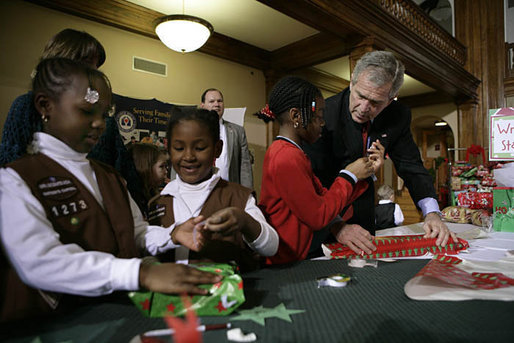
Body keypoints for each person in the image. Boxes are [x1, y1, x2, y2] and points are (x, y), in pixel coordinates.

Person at [0, 58, 220, 322]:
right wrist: (140, 273)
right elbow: (41, 261)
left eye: (103, 114)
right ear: (46, 106)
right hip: (52, 324)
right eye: (86, 111)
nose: (99, 124)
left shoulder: (109, 176)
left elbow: (135, 232)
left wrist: (171, 235)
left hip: (118, 316)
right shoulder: (15, 179)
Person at [303, 50, 456, 246]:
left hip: (364, 218)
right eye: (360, 96)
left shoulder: (397, 116)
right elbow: (312, 181)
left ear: (392, 99)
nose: (364, 107)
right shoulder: (324, 115)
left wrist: (432, 213)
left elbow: (411, 166)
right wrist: (337, 225)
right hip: (322, 224)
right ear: (352, 82)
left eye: (375, 103)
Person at [0, 28, 147, 217]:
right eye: (86, 67)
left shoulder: (106, 121)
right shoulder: (27, 107)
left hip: (99, 216)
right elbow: (10, 164)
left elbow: (123, 174)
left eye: (95, 69)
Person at [256, 76, 384, 264]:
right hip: (285, 261)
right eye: (319, 117)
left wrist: (364, 174)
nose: (322, 124)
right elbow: (318, 216)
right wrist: (348, 175)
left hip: (295, 255)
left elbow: (327, 199)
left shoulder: (293, 153)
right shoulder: (286, 157)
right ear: (296, 116)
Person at [148, 108, 278, 269]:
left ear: (217, 148)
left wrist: (244, 220)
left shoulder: (238, 197)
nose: (188, 156)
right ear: (168, 148)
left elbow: (271, 246)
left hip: (227, 292)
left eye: (200, 148)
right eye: (179, 148)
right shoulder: (158, 203)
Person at [200, 88, 254, 189]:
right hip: (201, 192)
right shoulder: (194, 130)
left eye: (220, 101)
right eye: (212, 101)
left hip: (229, 192)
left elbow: (245, 167)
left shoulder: (238, 131)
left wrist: (248, 195)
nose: (217, 104)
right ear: (202, 106)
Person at [128, 143, 169, 218]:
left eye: (166, 166)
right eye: (162, 166)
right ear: (146, 167)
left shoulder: (152, 193)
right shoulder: (132, 201)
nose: (166, 171)